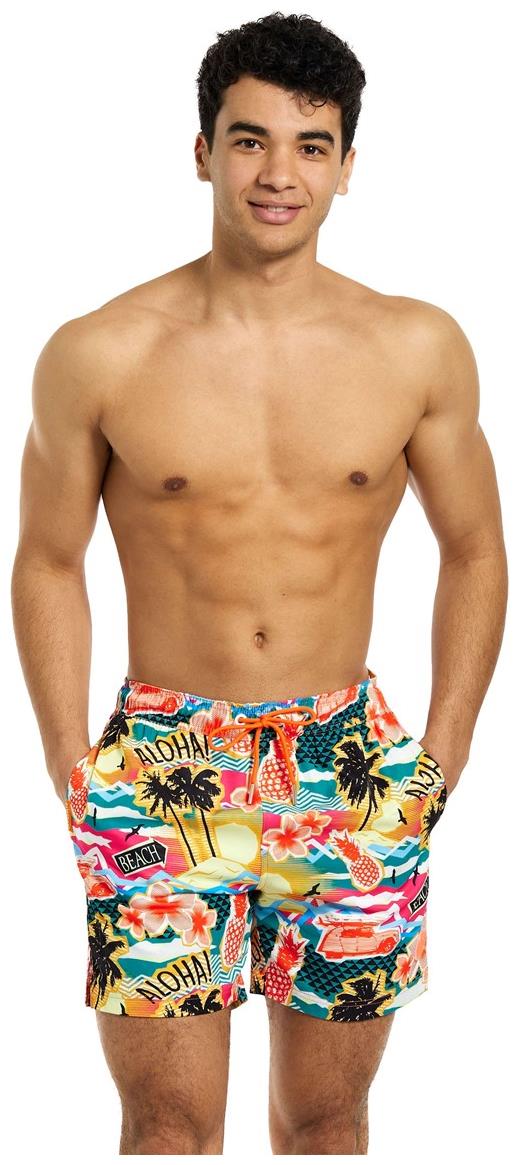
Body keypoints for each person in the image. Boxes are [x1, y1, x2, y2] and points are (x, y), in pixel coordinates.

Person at [11, 11, 507, 1157]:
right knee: (166, 1124)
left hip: (351, 764)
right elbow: (47, 557)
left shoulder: (416, 347)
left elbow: (476, 548)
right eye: (249, 140)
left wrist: (441, 753)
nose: (279, 173)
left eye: (310, 144)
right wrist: (71, 764)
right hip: (164, 764)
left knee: (327, 1122)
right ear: (203, 153)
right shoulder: (101, 350)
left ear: (346, 165)